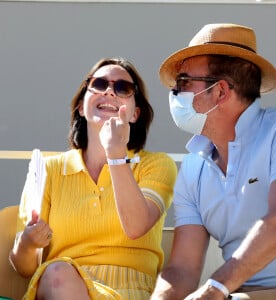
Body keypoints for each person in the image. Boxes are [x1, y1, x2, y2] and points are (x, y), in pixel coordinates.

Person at [150, 23, 276, 300]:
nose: (174, 92)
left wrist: (216, 287)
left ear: (220, 91)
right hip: (235, 293)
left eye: (183, 82)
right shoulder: (193, 168)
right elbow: (182, 269)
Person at [9, 57, 177, 299]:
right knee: (57, 275)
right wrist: (28, 242)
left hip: (133, 291)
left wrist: (116, 153)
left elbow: (137, 226)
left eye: (123, 88)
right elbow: (25, 268)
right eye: (99, 84)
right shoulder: (48, 169)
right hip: (61, 286)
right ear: (81, 106)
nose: (109, 91)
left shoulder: (156, 165)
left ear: (135, 114)